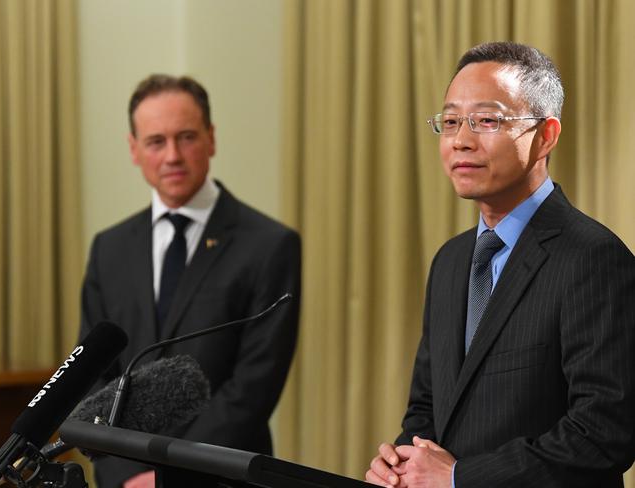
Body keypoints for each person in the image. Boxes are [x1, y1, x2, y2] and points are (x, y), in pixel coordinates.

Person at [366, 42, 635, 487]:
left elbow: (604, 432)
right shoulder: (451, 261)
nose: (461, 140)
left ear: (546, 135)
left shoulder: (592, 258)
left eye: (487, 120)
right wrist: (403, 463)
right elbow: (427, 406)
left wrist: (460, 478)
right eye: (451, 122)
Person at [79, 74, 301, 488]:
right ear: (134, 149)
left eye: (186, 137)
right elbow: (94, 374)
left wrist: (167, 477)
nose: (173, 156)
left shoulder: (270, 245)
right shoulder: (109, 249)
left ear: (211, 139)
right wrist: (125, 474)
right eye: (156, 141)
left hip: (221, 478)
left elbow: (253, 387)